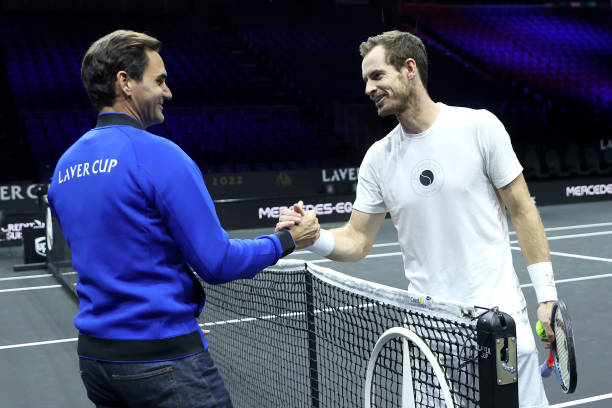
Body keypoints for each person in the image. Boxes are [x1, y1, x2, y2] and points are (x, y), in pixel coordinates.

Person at [277, 30, 557, 408]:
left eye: (377, 76)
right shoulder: (378, 159)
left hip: (498, 320)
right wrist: (314, 239)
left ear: (410, 69)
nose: (368, 88)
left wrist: (547, 297)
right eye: (365, 80)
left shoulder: (479, 127)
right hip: (429, 331)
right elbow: (357, 240)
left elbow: (523, 209)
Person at [47, 30, 319, 408]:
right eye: (159, 80)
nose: (168, 91)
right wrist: (289, 240)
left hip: (97, 363)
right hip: (161, 360)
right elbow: (218, 262)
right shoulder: (159, 155)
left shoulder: (64, 167)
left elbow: (121, 254)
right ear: (125, 82)